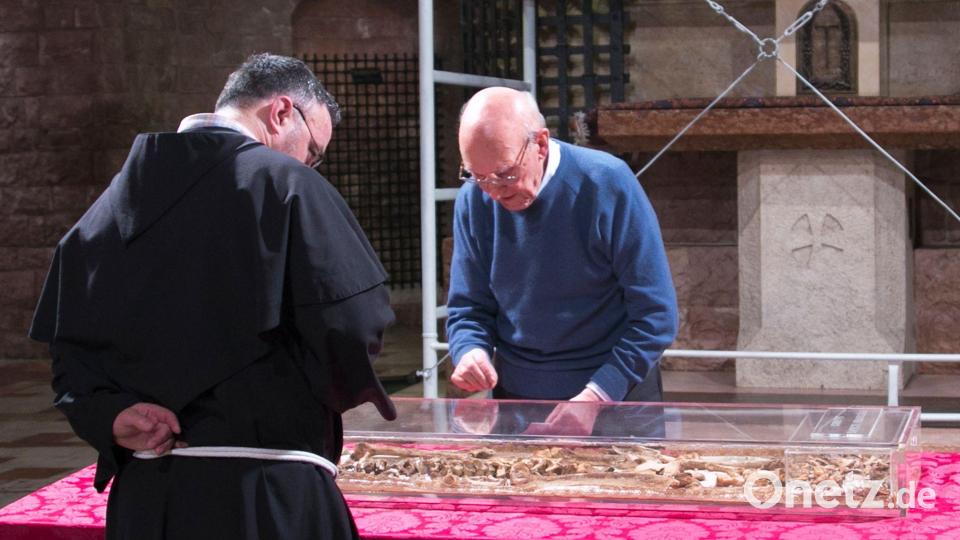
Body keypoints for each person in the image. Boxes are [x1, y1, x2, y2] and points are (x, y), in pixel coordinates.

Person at [29, 53, 395, 539]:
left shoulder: (106, 209)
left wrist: (111, 415)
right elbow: (351, 325)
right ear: (281, 112)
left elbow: (69, 351)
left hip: (147, 497)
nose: (310, 163)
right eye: (313, 149)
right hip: (265, 491)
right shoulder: (289, 186)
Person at [446, 87, 679, 421]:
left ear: (540, 144)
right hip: (518, 399)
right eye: (477, 175)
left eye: (505, 174)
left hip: (614, 396)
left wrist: (597, 396)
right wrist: (471, 351)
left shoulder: (607, 183)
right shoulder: (473, 199)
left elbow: (656, 317)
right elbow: (468, 307)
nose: (493, 192)